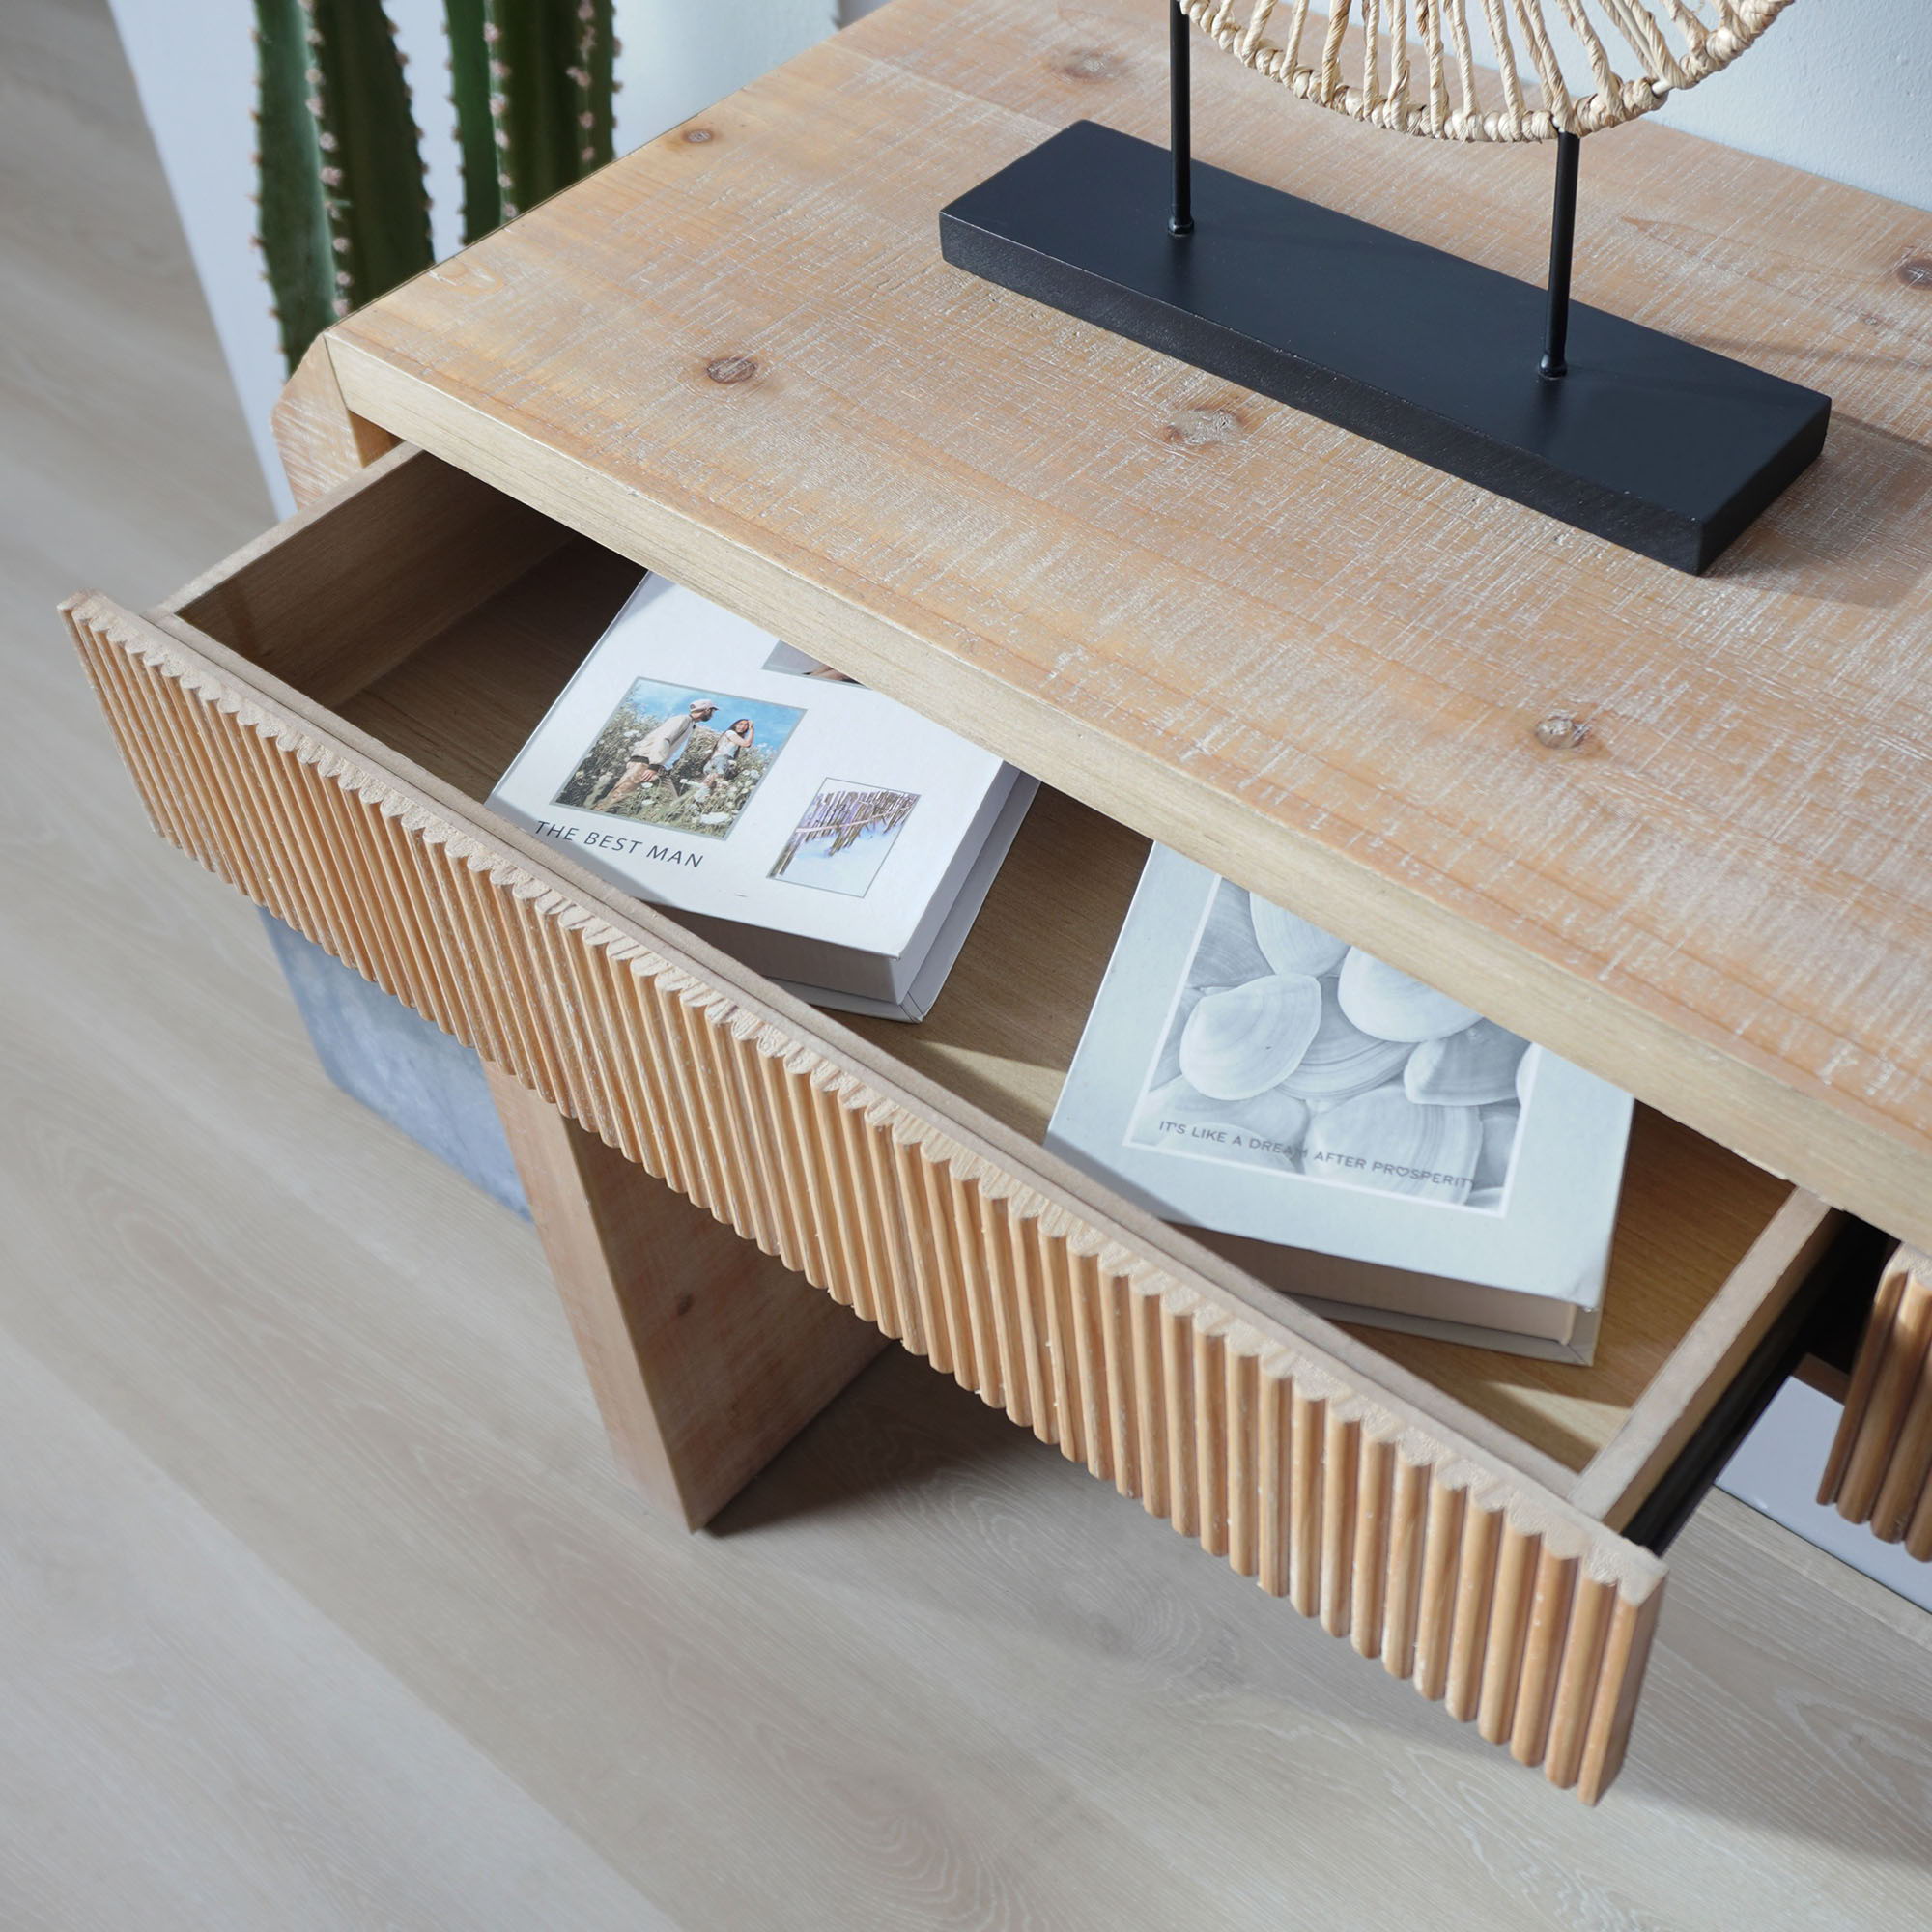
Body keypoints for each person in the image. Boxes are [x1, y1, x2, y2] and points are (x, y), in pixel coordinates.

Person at [594, 697, 717, 810]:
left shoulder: (691, 724)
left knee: (671, 806)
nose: (713, 714)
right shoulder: (682, 719)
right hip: (647, 765)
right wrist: (654, 765)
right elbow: (663, 739)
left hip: (662, 770)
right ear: (707, 710)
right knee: (616, 797)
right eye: (713, 711)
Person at [699, 717, 755, 795]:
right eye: (740, 724)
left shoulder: (735, 736)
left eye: (746, 725)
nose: (742, 726)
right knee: (707, 786)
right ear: (735, 725)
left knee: (714, 789)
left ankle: (695, 799)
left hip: (721, 761)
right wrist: (752, 729)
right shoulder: (730, 733)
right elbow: (747, 744)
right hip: (720, 760)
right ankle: (694, 798)